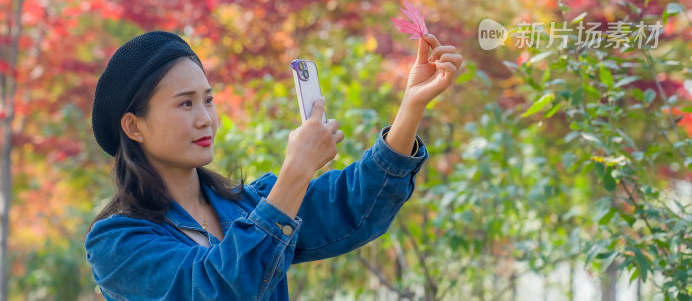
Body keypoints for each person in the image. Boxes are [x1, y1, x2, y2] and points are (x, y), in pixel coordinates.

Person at [85, 30, 463, 300]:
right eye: (185, 103)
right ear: (134, 126)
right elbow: (216, 289)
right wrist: (296, 172)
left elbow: (354, 206)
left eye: (208, 100)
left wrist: (411, 107)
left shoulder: (248, 205)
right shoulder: (118, 241)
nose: (205, 119)